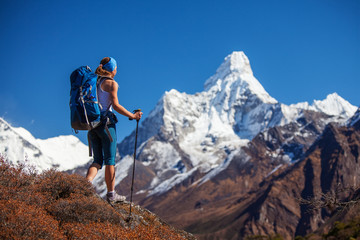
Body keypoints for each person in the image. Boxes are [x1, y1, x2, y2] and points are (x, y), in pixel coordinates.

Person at [86, 57, 142, 203]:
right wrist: (132, 115)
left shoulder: (94, 82)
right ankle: (111, 194)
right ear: (112, 69)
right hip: (106, 126)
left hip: (92, 126)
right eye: (116, 67)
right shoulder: (111, 83)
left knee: (97, 160)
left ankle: (86, 184)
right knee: (110, 160)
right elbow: (115, 106)